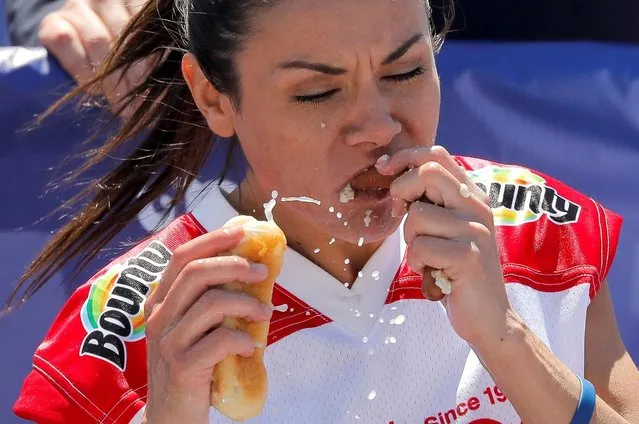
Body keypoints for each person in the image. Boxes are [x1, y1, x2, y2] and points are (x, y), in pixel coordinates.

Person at [9, 0, 639, 422]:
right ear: (212, 95)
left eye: (407, 70)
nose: (377, 126)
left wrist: (510, 343)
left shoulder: (541, 229)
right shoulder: (121, 339)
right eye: (318, 92)